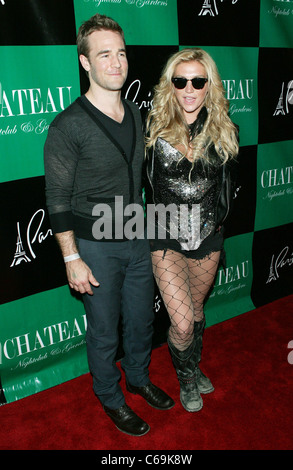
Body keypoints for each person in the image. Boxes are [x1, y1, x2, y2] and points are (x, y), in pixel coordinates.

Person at [44, 13, 174, 437]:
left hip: (136, 235)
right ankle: (111, 398)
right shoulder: (68, 125)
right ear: (85, 62)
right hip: (95, 246)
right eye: (104, 55)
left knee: (140, 322)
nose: (116, 63)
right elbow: (57, 200)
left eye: (120, 53)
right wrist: (72, 258)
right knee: (103, 333)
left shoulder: (137, 114)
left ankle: (137, 378)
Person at [145, 48, 239, 412]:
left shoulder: (223, 130)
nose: (189, 88)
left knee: (197, 312)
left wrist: (218, 221)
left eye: (197, 81)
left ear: (208, 86)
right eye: (180, 80)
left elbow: (227, 188)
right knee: (182, 323)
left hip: (207, 238)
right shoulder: (152, 127)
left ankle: (193, 366)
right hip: (165, 237)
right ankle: (186, 379)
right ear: (171, 84)